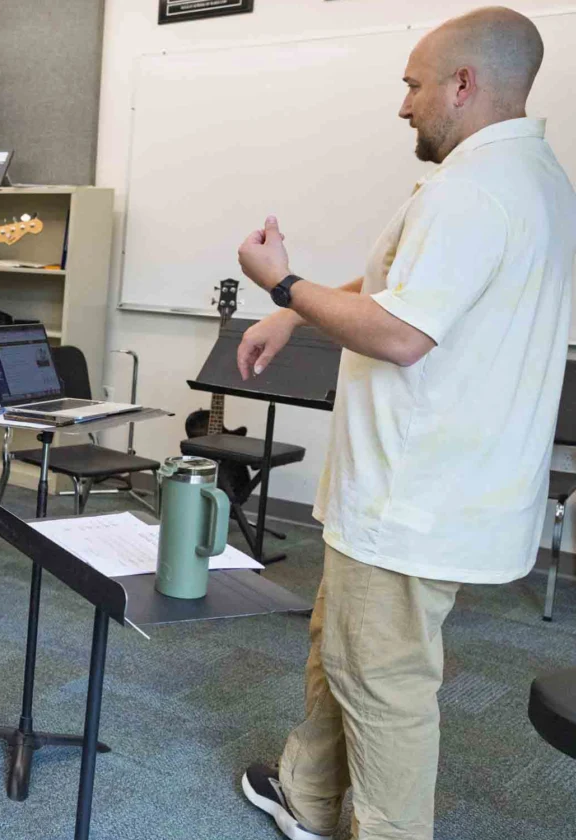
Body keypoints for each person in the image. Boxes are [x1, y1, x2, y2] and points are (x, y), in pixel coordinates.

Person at [232, 9, 574, 840]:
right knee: (342, 643)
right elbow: (407, 284)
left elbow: (401, 333)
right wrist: (303, 314)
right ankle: (308, 796)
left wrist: (281, 289)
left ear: (464, 84)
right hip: (445, 485)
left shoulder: (474, 191)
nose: (404, 106)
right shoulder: (528, 179)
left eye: (414, 86)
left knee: (382, 681)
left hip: (412, 494)